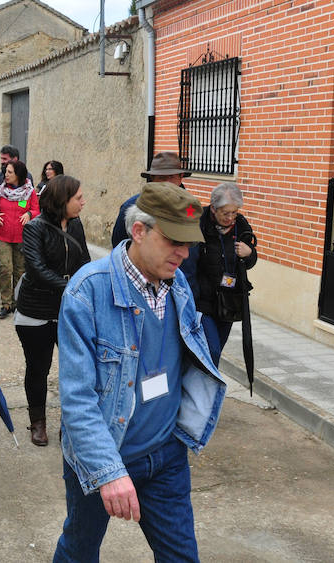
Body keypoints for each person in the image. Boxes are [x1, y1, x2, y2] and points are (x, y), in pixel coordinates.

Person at [53, 182, 226, 562]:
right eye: (173, 241)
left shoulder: (177, 282)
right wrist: (108, 472)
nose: (183, 254)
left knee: (182, 556)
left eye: (188, 244)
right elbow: (77, 399)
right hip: (104, 455)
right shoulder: (87, 292)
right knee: (79, 550)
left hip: (166, 456)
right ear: (139, 231)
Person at [16, 175, 88, 446]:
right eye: (78, 198)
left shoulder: (77, 225)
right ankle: (38, 422)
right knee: (38, 368)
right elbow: (36, 269)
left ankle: (69, 424)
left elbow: (84, 261)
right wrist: (72, 289)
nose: (83, 202)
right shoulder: (35, 227)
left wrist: (86, 287)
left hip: (68, 310)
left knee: (74, 369)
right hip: (35, 310)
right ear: (62, 200)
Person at [195, 182, 257, 365]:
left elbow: (250, 262)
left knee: (216, 351)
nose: (231, 218)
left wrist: (249, 254)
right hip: (203, 302)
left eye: (234, 212)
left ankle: (206, 388)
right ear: (214, 208)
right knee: (211, 349)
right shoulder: (199, 220)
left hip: (228, 303)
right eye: (225, 213)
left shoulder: (241, 225)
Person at [0, 160, 39, 319]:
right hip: (2, 236)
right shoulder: (0, 191)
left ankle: (18, 303)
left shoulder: (29, 192)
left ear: (18, 174)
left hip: (22, 237)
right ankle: (6, 303)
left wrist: (29, 214)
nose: (6, 175)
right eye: (6, 172)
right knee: (5, 268)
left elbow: (36, 210)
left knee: (20, 270)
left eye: (10, 172)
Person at [110, 152, 191, 248]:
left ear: (180, 177)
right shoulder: (131, 207)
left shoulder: (190, 208)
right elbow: (119, 245)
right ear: (153, 178)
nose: (166, 183)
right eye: (161, 178)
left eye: (171, 177)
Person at [0, 145, 30, 210]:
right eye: (1, 158)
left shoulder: (27, 177)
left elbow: (27, 197)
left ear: (15, 159)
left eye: (5, 159)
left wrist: (19, 210)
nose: (2, 162)